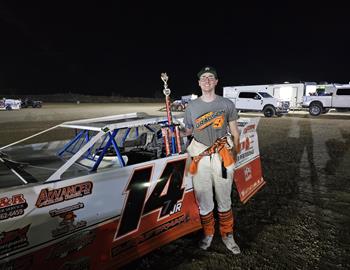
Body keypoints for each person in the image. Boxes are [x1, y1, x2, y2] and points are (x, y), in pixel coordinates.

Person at [183, 66, 241, 254]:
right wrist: (176, 132)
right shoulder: (191, 107)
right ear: (199, 83)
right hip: (200, 155)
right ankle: (208, 233)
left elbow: (234, 131)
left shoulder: (226, 104)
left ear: (216, 82)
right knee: (204, 197)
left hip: (222, 154)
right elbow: (189, 131)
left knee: (224, 196)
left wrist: (236, 153)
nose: (207, 80)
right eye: (204, 78)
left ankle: (227, 234)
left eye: (211, 77)